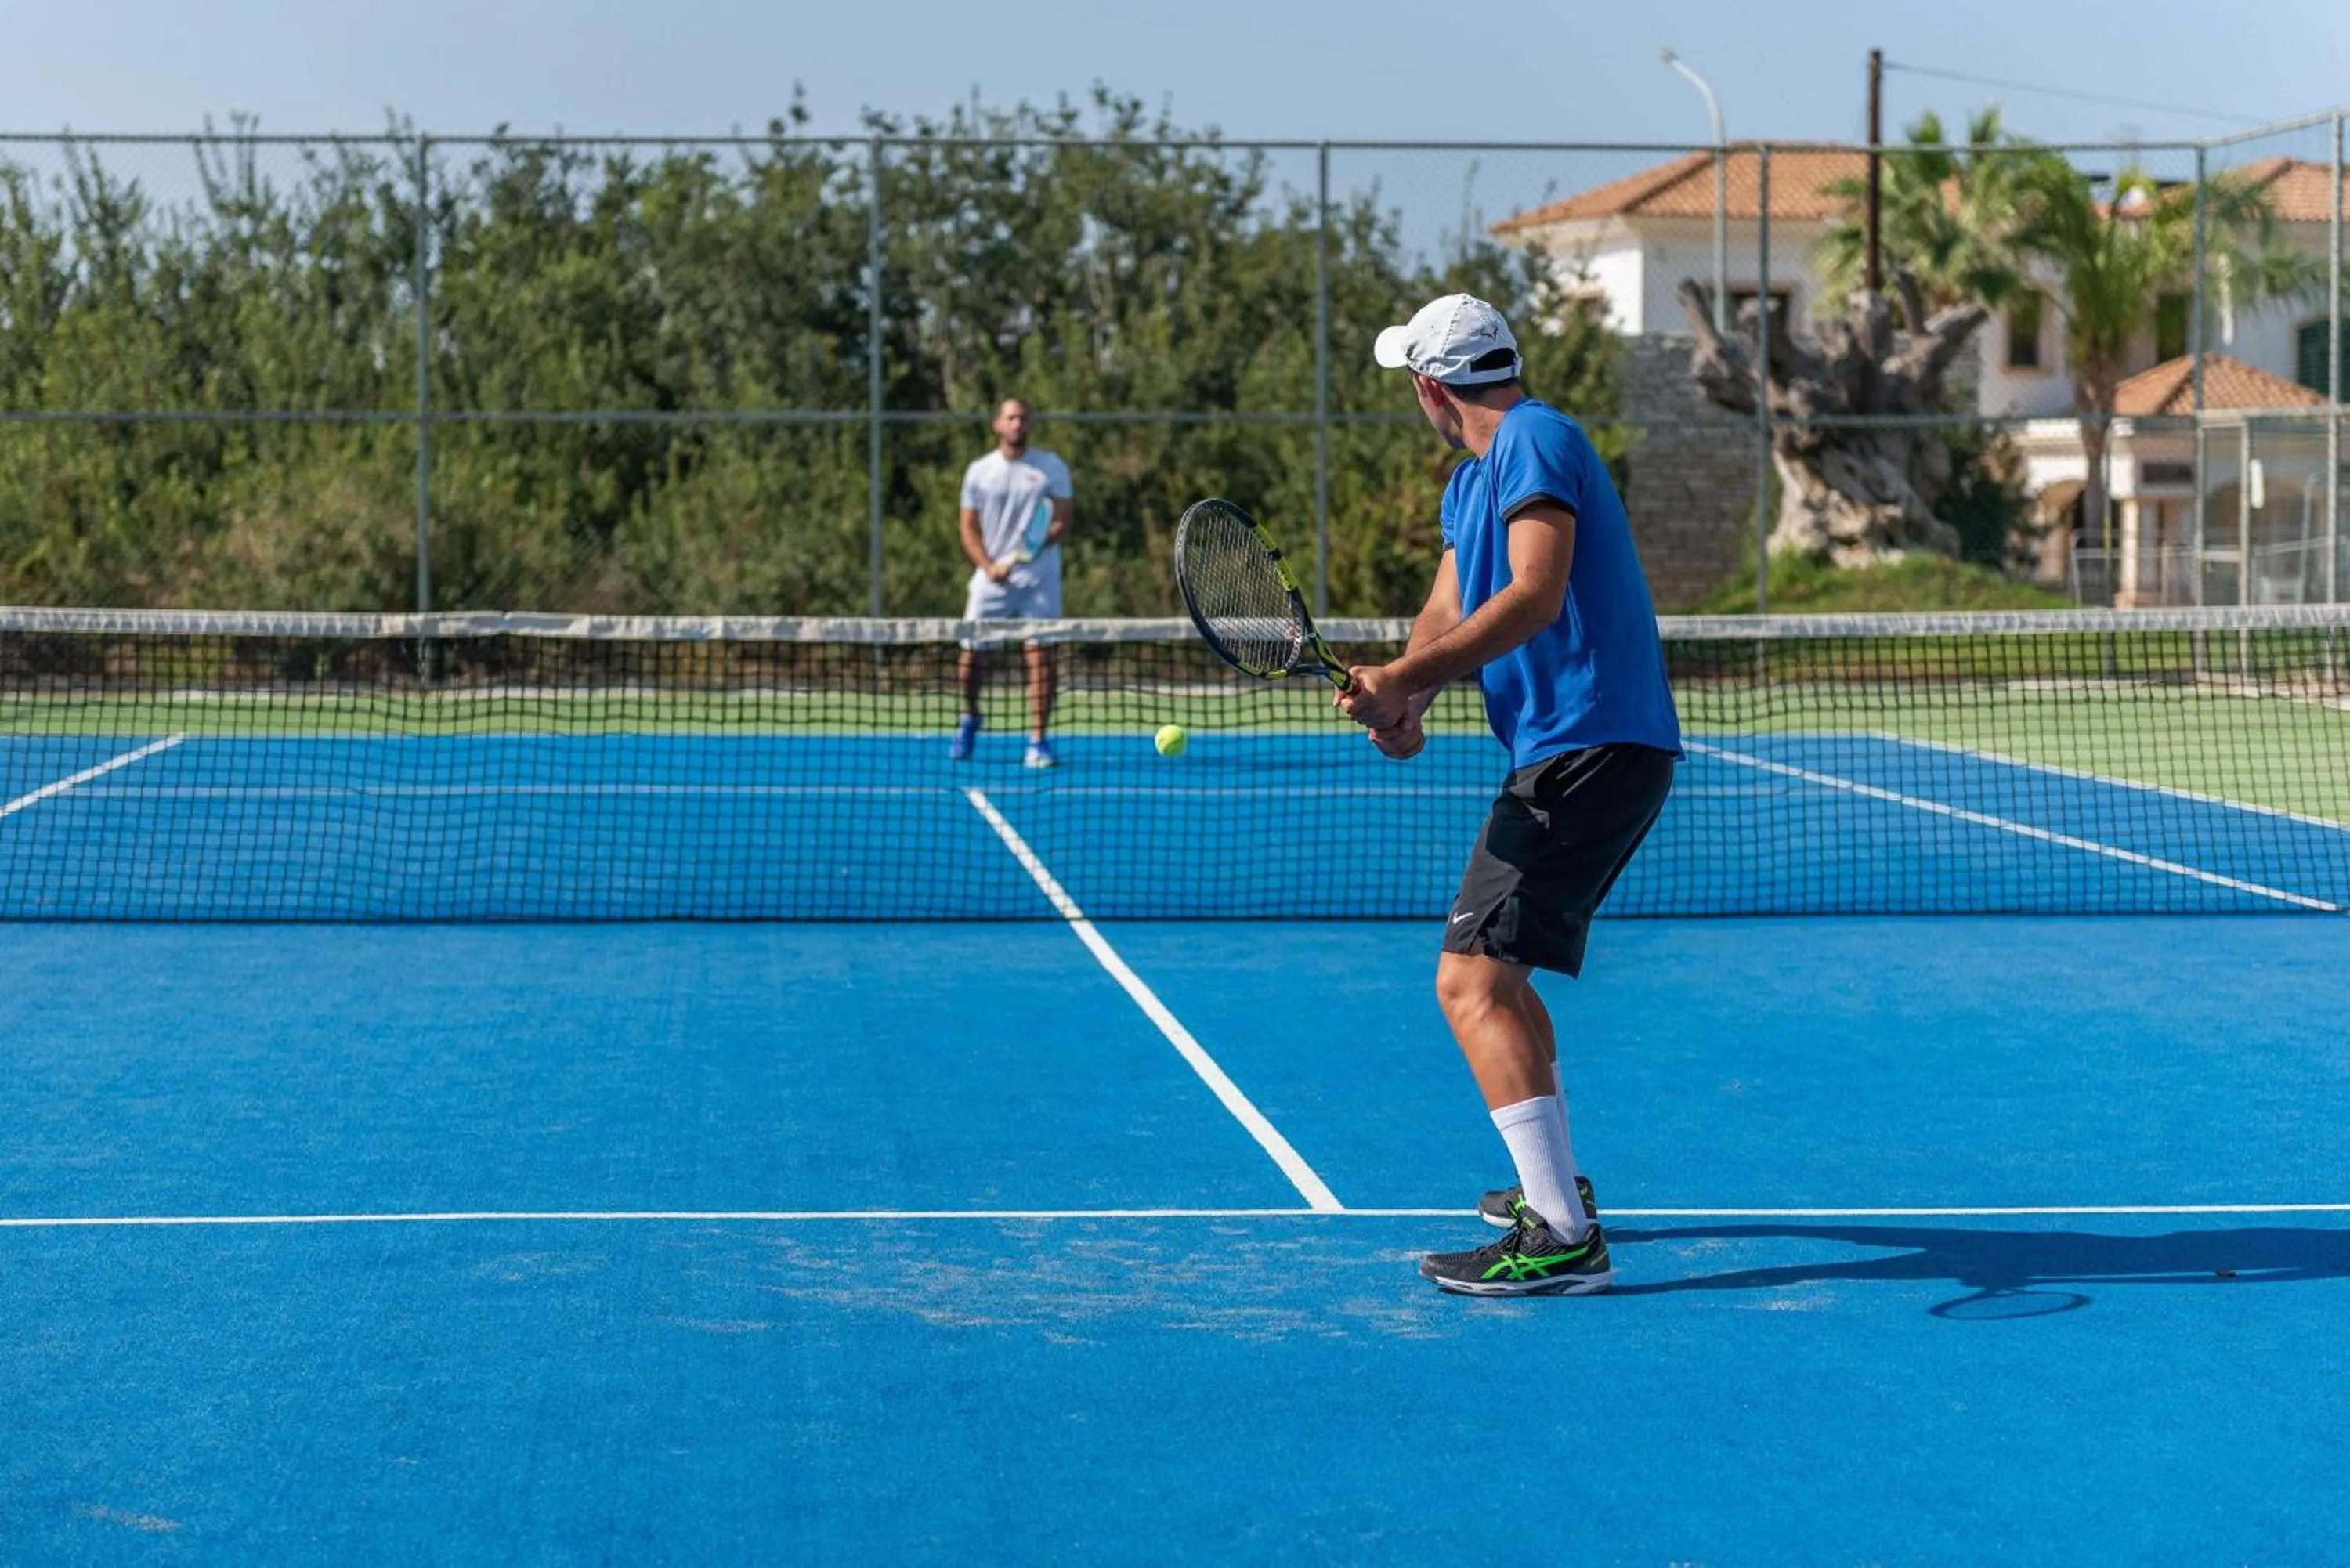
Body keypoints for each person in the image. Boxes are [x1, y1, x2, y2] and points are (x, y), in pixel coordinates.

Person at [1339, 293, 1681, 1296]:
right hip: (1580, 751)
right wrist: (1408, 691)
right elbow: (1447, 606)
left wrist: (1408, 679)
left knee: (1469, 982)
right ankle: (1553, 1188)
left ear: (1429, 387)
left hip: (1590, 745)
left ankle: (1562, 1236)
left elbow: (1534, 592)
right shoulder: (1471, 481)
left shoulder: (1535, 439)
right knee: (1506, 978)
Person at [950, 397, 1074, 768]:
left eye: (1023, 418)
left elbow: (1061, 520)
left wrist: (1028, 550)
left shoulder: (1051, 467)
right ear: (997, 425)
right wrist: (988, 566)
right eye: (1011, 418)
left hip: (1039, 578)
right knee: (972, 658)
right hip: (990, 581)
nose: (1018, 423)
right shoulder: (979, 471)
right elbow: (968, 528)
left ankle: (1038, 741)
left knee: (1040, 656)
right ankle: (971, 716)